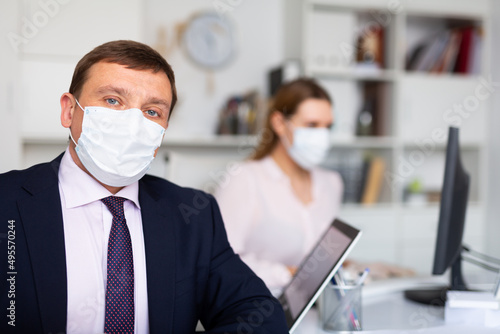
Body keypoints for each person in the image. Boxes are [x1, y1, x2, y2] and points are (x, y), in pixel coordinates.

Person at [0, 40, 288, 334]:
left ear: (162, 132)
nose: (133, 123)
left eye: (152, 112)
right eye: (113, 100)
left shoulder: (193, 215)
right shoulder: (6, 202)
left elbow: (261, 315)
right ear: (69, 111)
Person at [214, 78, 343, 295]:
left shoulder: (331, 182)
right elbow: (220, 261)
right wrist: (288, 275)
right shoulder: (244, 178)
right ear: (279, 123)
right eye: (312, 125)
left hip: (315, 306)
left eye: (328, 126)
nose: (322, 136)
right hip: (257, 305)